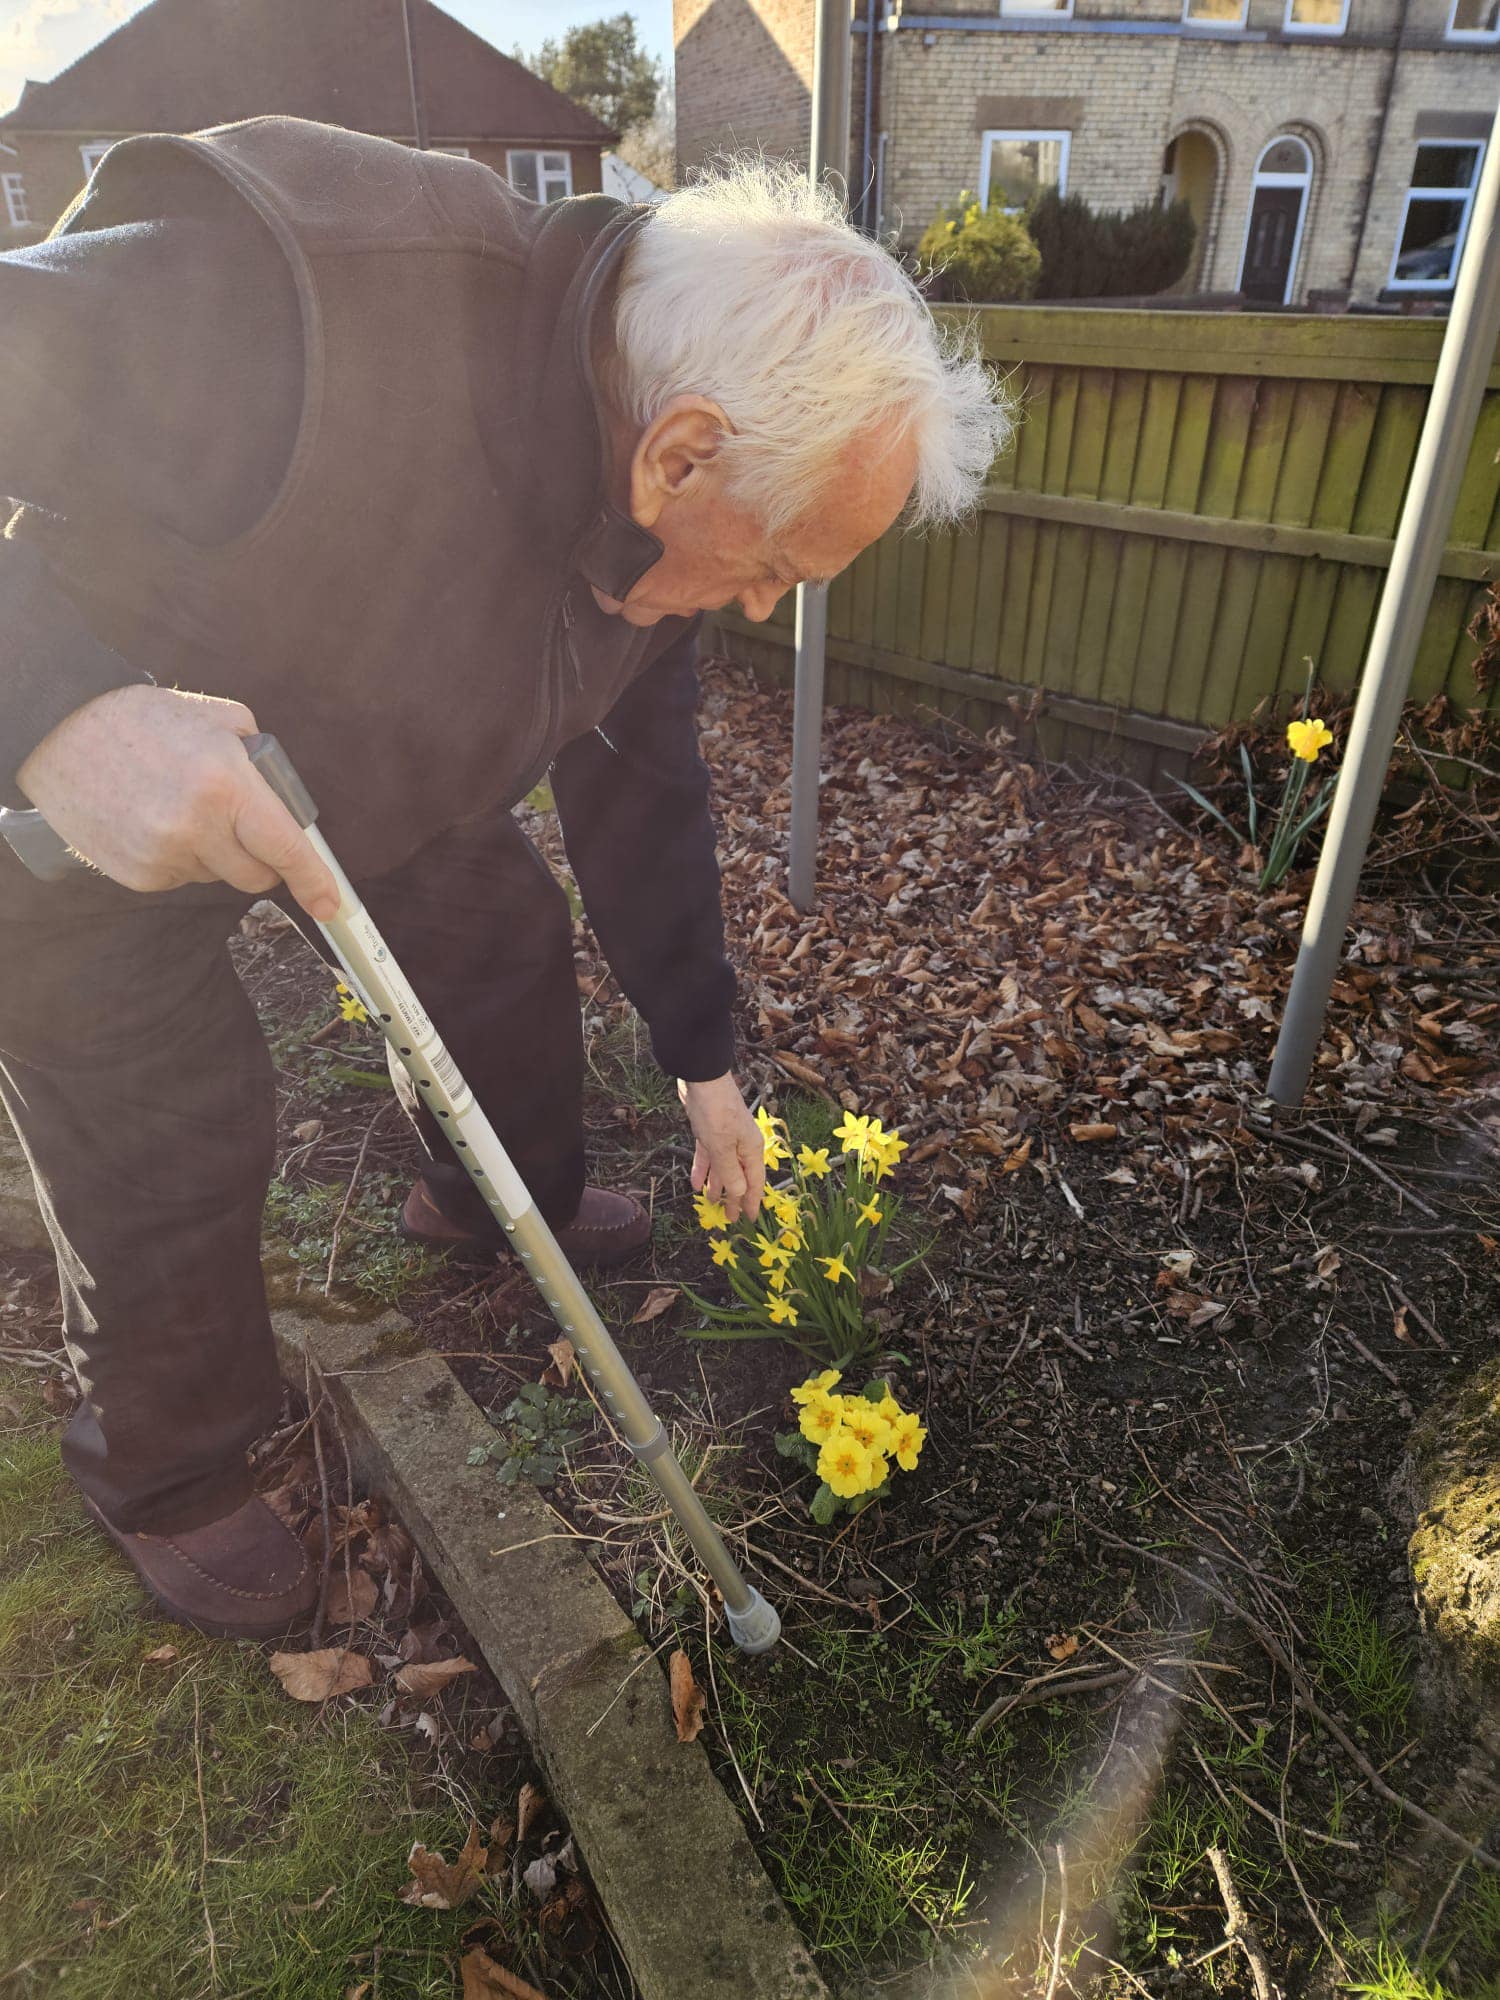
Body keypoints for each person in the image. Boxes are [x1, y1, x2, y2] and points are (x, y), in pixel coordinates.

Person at [0, 119, 1010, 1639]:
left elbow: (641, 778)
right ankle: (172, 1465)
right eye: (774, 571)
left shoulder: (647, 494)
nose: (750, 603)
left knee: (504, 941)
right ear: (682, 451)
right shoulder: (295, 294)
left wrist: (702, 1060)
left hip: (375, 782)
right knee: (177, 1115)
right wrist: (55, 711)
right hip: (101, 810)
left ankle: (490, 1203)